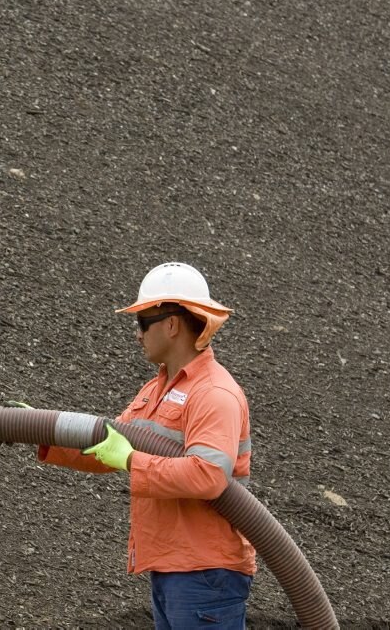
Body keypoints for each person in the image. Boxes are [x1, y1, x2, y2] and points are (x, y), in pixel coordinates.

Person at [38, 262, 256, 629]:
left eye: (142, 323)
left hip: (205, 571)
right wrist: (39, 434)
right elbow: (110, 446)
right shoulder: (157, 389)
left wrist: (132, 460)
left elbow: (208, 476)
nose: (137, 335)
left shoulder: (214, 394)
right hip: (174, 565)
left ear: (171, 324)